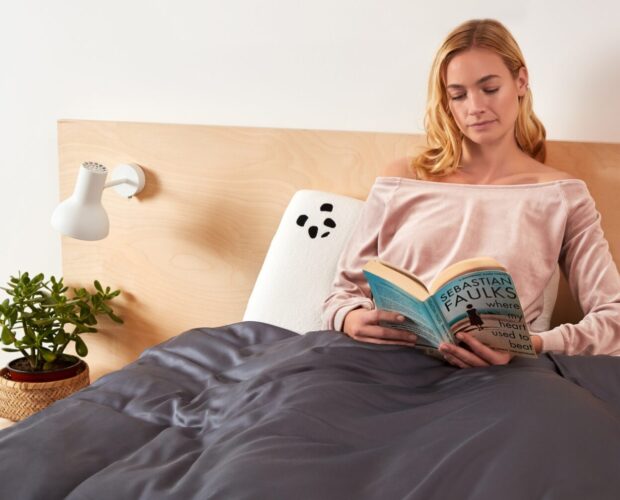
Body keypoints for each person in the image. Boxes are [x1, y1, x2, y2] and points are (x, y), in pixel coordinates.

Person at [321, 19, 620, 368]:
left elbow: (614, 318)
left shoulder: (561, 196)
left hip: (496, 379)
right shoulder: (401, 179)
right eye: (458, 95)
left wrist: (533, 344)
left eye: (489, 89)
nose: (474, 107)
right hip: (380, 364)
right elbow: (342, 293)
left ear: (520, 81)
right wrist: (349, 318)